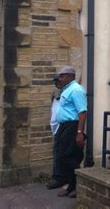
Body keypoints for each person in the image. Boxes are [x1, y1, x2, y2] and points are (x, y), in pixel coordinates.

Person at [45, 66, 87, 198]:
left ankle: (78, 184)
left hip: (72, 126)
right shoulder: (67, 89)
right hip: (64, 126)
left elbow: (82, 112)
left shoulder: (76, 90)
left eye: (62, 76)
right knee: (67, 156)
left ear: (70, 76)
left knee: (66, 157)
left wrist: (79, 132)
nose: (60, 79)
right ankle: (72, 186)